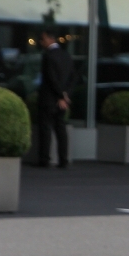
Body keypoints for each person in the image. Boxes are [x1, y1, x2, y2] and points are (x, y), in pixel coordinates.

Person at [37, 27, 76, 168]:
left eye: (43, 39)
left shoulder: (48, 56)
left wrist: (60, 95)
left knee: (46, 128)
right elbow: (72, 77)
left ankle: (44, 159)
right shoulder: (66, 55)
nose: (41, 42)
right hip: (62, 99)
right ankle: (63, 159)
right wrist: (66, 96)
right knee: (61, 128)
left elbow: (51, 78)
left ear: (49, 38)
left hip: (49, 98)